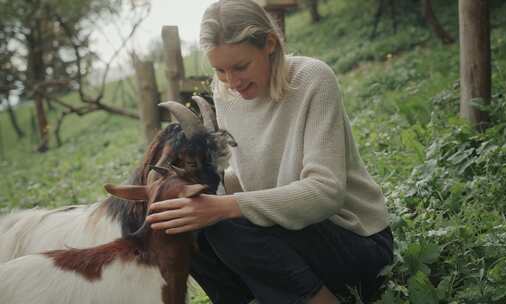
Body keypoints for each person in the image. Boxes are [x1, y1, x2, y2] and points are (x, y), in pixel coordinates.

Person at [146, 0, 393, 303]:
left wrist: (224, 207)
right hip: (284, 236)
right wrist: (201, 198)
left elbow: (325, 193)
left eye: (240, 66)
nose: (232, 82)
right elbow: (253, 179)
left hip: (353, 239)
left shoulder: (313, 79)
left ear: (270, 44)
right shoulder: (225, 93)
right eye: (220, 70)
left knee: (225, 227)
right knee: (186, 225)